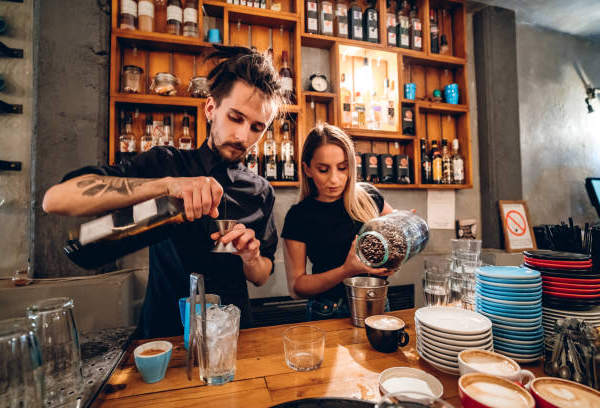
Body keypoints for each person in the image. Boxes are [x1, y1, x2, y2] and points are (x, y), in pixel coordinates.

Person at [42, 45, 284, 338]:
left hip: (232, 338)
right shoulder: (167, 164)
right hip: (165, 335)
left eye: (257, 127)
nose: (243, 136)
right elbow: (56, 199)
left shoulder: (260, 191)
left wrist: (251, 257)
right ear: (211, 108)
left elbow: (261, 276)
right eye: (235, 118)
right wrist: (168, 185)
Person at [281, 124, 395, 320]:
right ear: (307, 169)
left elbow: (395, 234)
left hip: (376, 302)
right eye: (323, 170)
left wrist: (396, 254)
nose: (334, 179)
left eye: (342, 168)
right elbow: (296, 287)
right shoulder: (299, 216)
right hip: (328, 311)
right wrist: (346, 270)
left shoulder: (369, 196)